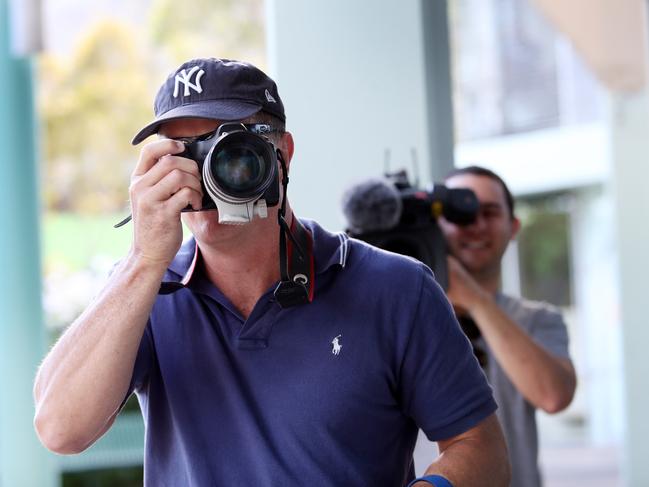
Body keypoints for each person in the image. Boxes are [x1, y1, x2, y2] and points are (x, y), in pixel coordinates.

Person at [33, 58, 510, 487]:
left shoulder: (395, 288)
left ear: (282, 153)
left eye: (231, 147)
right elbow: (59, 429)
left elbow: (482, 449)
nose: (206, 173)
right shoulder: (143, 291)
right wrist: (143, 261)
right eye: (184, 154)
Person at [438, 166, 577, 487]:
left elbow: (553, 396)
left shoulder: (539, 318)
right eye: (460, 213)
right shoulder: (405, 315)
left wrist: (474, 299)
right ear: (436, 226)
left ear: (513, 227)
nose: (475, 225)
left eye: (489, 212)